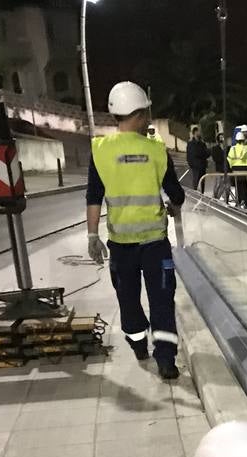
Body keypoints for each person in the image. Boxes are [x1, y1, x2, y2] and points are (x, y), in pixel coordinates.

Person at [85, 81, 185, 381]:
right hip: (155, 244)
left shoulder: (100, 150)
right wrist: (172, 206)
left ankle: (139, 345)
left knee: (128, 300)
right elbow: (175, 194)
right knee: (162, 302)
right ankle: (165, 361)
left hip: (120, 245)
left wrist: (92, 235)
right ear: (140, 115)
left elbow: (93, 195)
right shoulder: (156, 150)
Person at [227, 128, 247, 209]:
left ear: (236, 140)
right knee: (246, 187)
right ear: (244, 140)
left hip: (236, 172)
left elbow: (229, 160)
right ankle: (246, 203)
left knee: (238, 187)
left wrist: (232, 167)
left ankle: (239, 202)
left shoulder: (233, 149)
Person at [186, 126, 210, 193]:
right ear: (195, 132)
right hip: (196, 167)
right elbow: (191, 155)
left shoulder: (202, 143)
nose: (200, 133)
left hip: (202, 166)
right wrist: (192, 165)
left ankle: (202, 196)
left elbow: (207, 153)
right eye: (199, 131)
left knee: (202, 184)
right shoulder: (191, 144)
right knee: (196, 184)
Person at [210, 132, 228, 199]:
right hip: (219, 169)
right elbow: (216, 158)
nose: (222, 139)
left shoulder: (227, 148)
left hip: (227, 170)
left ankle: (225, 199)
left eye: (222, 137)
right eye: (220, 137)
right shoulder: (215, 148)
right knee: (218, 184)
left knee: (226, 186)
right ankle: (215, 198)